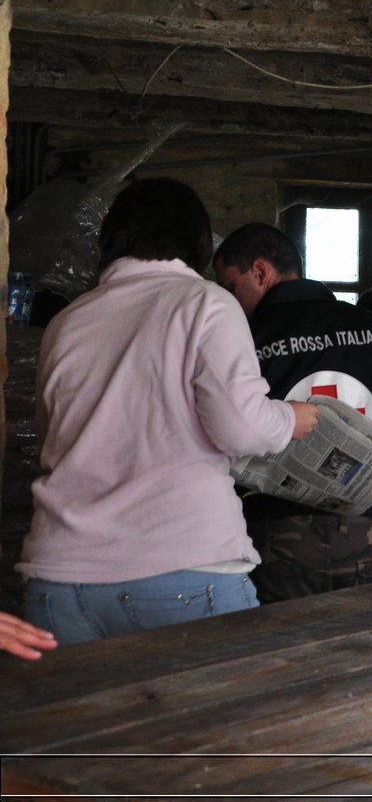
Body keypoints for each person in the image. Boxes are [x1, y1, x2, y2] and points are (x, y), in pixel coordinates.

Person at [17, 179, 317, 644]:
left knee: (86, 721)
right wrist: (290, 420)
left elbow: (51, 438)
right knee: (227, 719)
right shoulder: (207, 304)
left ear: (109, 241)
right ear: (197, 245)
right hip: (183, 569)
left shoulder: (66, 322)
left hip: (60, 580)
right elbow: (241, 428)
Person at [213, 224, 372, 600]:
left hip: (276, 543)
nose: (228, 302)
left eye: (230, 288)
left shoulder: (240, 341)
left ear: (260, 273)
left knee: (285, 654)